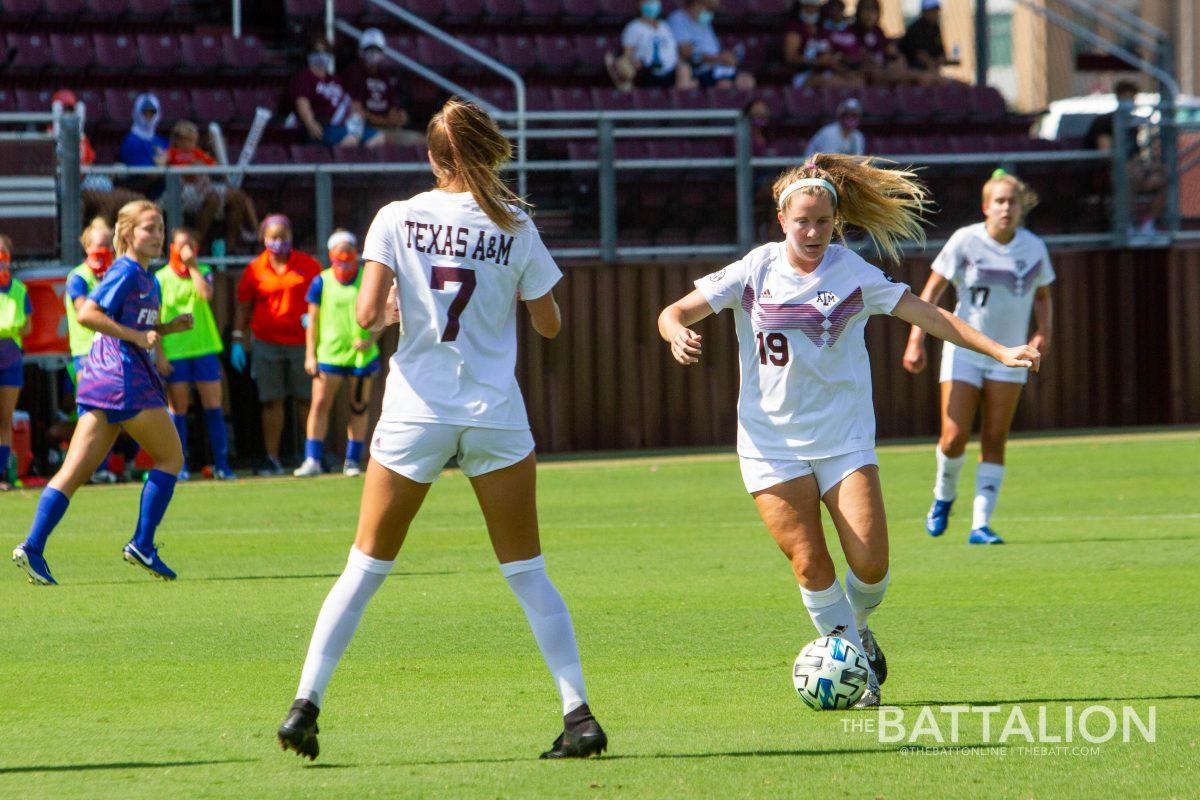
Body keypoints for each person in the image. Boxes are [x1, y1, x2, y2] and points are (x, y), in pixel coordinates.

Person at [276, 98, 606, 761]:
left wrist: (400, 305)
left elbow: (366, 315)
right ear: (488, 154)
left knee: (364, 569)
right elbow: (549, 324)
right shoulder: (512, 222)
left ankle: (305, 706)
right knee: (529, 573)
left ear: (431, 157)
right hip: (493, 413)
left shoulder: (396, 218)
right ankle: (579, 716)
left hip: (414, 410)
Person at [656, 155, 1040, 706]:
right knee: (810, 561)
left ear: (837, 222)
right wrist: (675, 333)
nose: (812, 232)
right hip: (770, 444)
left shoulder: (854, 273)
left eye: (822, 222)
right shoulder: (754, 269)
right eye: (802, 221)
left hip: (844, 437)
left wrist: (1000, 349)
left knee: (871, 566)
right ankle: (853, 668)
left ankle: (856, 627)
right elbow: (675, 311)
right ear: (782, 220)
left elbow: (929, 315)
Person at [12, 201, 193, 586]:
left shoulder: (149, 277)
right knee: (171, 457)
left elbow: (138, 327)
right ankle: (143, 543)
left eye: (161, 228)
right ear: (127, 234)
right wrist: (135, 336)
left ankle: (32, 546)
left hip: (103, 381)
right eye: (149, 228)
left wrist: (169, 328)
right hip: (123, 378)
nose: (158, 235)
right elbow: (87, 314)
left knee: (75, 471)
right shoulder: (126, 270)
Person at [902, 170, 1054, 545]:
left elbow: (1042, 296)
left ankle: (980, 525)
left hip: (1011, 355)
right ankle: (943, 497)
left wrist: (1043, 332)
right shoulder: (965, 241)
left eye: (1012, 202)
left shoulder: (1033, 248)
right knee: (953, 438)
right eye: (999, 201)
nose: (1006, 208)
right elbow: (931, 293)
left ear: (1021, 208)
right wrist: (915, 339)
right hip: (964, 351)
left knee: (994, 437)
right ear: (986, 207)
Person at [232, 214, 322, 476]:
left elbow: (321, 300)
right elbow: (244, 306)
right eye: (273, 237)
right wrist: (238, 338)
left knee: (307, 400)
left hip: (302, 343)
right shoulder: (254, 269)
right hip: (267, 344)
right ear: (264, 239)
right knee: (272, 401)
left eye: (283, 236)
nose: (279, 242)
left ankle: (312, 456)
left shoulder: (308, 265)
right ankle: (272, 458)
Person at [293, 230, 381, 479]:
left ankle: (352, 460)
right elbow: (313, 321)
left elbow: (383, 315)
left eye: (349, 251)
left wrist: (370, 338)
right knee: (320, 405)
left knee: (358, 408)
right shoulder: (321, 281)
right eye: (339, 252)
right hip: (329, 355)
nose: (344, 257)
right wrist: (310, 355)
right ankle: (312, 459)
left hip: (360, 358)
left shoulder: (366, 278)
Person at [156, 228, 236, 482]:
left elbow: (205, 294)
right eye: (181, 245)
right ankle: (178, 465)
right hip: (176, 351)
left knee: (214, 405)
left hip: (203, 348)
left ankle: (222, 465)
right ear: (172, 248)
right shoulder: (160, 278)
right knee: (178, 408)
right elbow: (154, 319)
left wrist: (192, 267)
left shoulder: (204, 273)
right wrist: (159, 354)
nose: (186, 249)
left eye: (191, 244)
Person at [65, 219, 128, 484]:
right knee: (91, 412)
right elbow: (85, 313)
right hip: (85, 353)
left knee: (116, 412)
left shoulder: (115, 273)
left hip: (113, 352)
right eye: (98, 245)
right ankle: (87, 468)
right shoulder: (78, 277)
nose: (103, 251)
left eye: (108, 246)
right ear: (87, 246)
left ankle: (110, 464)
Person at [1083, 79, 1167, 236]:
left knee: (1165, 176)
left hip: (1132, 171)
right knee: (1129, 176)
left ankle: (1147, 223)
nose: (1130, 103)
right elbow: (1106, 153)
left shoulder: (1131, 125)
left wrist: (1147, 169)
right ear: (1118, 99)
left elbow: (1135, 155)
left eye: (1132, 99)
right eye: (1126, 98)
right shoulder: (1105, 122)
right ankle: (1125, 224)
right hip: (1104, 172)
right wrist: (1130, 168)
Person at [165, 121, 260, 253]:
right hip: (182, 191)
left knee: (239, 197)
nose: (190, 145)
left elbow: (216, 166)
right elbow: (163, 166)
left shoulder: (197, 153)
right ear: (177, 140)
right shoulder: (171, 153)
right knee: (213, 198)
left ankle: (234, 245)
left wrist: (204, 165)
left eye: (193, 141)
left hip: (204, 187)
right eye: (186, 140)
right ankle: (196, 244)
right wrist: (190, 169)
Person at [290, 36, 382, 149]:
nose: (321, 55)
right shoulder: (304, 77)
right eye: (317, 51)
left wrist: (356, 119)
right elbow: (302, 102)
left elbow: (348, 103)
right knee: (352, 139)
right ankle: (334, 161)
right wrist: (310, 123)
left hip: (341, 125)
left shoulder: (335, 79)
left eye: (325, 51)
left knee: (377, 137)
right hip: (323, 126)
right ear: (309, 54)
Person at [339, 28, 425, 148]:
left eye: (377, 50)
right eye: (369, 50)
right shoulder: (354, 73)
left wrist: (399, 117)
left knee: (423, 140)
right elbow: (356, 110)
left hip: (387, 128)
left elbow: (392, 109)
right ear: (360, 52)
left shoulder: (384, 76)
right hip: (366, 130)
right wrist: (384, 121)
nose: (373, 54)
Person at [607, 1, 696, 92]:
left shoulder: (664, 26)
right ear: (639, 5)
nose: (652, 5)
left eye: (654, 2)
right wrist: (634, 63)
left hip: (670, 72)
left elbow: (672, 51)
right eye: (648, 2)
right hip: (647, 72)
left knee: (685, 70)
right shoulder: (633, 27)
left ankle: (680, 100)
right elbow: (627, 55)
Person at [667, 0, 755, 91]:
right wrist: (717, 58)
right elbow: (685, 51)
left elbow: (715, 50)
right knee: (725, 85)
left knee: (747, 81)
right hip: (698, 70)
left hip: (717, 68)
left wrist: (727, 58)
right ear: (696, 3)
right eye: (708, 9)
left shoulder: (705, 23)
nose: (710, 13)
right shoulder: (678, 18)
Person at [0, 234, 31, 492]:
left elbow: (27, 325)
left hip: (10, 357)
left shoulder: (19, 289)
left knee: (4, 418)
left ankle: (2, 474)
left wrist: (10, 328)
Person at [783, 0, 861, 89]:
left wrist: (845, 72)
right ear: (801, 7)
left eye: (814, 7)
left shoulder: (823, 30)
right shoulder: (795, 29)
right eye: (807, 6)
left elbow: (830, 58)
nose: (811, 10)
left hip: (827, 73)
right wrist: (816, 61)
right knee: (828, 82)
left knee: (857, 80)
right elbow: (790, 58)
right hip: (803, 75)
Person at [118, 92, 169, 199]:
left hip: (165, 190)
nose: (149, 116)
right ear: (137, 113)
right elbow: (147, 174)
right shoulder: (131, 141)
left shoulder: (162, 141)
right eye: (145, 112)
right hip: (142, 192)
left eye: (152, 112)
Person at [852, 0, 911, 86]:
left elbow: (892, 51)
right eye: (866, 10)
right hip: (865, 71)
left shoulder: (878, 31)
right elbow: (860, 55)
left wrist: (898, 60)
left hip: (883, 69)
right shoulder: (853, 31)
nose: (869, 15)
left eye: (873, 11)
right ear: (859, 12)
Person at [899, 0, 949, 84]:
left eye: (936, 10)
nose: (936, 13)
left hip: (931, 71)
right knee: (929, 79)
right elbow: (919, 54)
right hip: (913, 69)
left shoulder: (935, 29)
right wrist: (932, 66)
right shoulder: (915, 29)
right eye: (932, 10)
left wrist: (939, 60)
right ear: (925, 11)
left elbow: (942, 53)